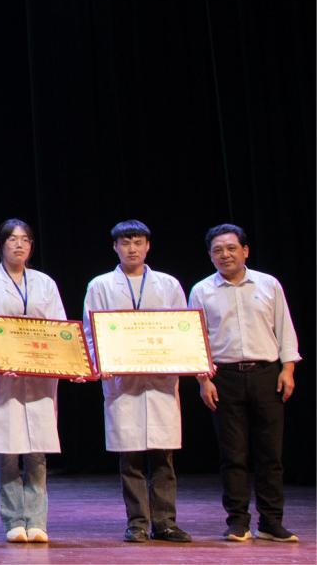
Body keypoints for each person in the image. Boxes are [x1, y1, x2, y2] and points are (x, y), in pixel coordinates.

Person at [189, 223, 301, 543]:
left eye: (231, 248)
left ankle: (271, 521)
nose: (225, 254)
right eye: (218, 250)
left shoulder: (268, 284)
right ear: (210, 256)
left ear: (245, 251)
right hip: (223, 377)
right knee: (233, 455)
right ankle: (238, 521)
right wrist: (203, 380)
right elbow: (195, 338)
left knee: (270, 454)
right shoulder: (201, 290)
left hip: (267, 374)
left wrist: (288, 370)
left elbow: (284, 328)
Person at [81, 220, 192, 543]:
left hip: (160, 381)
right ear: (115, 247)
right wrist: (100, 363)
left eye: (138, 242)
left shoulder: (168, 284)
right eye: (126, 243)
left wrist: (185, 359)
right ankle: (137, 523)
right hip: (122, 383)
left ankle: (165, 522)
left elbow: (183, 328)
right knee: (130, 457)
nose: (132, 248)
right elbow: (90, 332)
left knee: (163, 456)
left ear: (148, 246)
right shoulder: (101, 285)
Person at [0, 219, 70, 544]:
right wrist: (4, 358)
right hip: (4, 376)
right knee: (8, 450)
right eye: (12, 239)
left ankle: (37, 520)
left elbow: (59, 326)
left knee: (37, 450)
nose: (19, 245)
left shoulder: (44, 282)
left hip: (39, 376)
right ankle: (14, 520)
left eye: (25, 239)